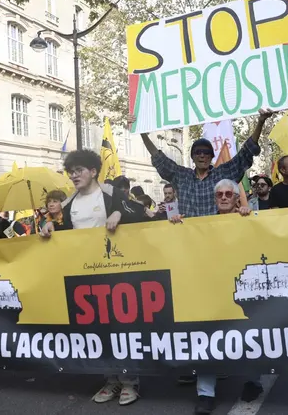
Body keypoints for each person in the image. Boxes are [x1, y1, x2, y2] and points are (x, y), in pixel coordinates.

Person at [40, 149, 144, 405]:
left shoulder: (111, 193)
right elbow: (62, 231)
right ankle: (111, 380)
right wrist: (50, 226)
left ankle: (130, 381)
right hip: (84, 275)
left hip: (115, 272)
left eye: (79, 171)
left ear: (93, 171)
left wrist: (121, 214)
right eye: (71, 172)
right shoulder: (68, 203)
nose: (74, 176)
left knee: (120, 327)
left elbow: (141, 213)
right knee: (97, 330)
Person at [168, 179, 262, 414]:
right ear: (214, 198)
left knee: (253, 335)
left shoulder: (248, 219)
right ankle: (205, 393)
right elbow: (185, 244)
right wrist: (178, 225)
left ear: (236, 196)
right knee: (206, 338)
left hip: (242, 289)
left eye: (228, 193)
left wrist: (249, 216)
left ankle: (254, 382)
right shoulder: (202, 225)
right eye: (218, 194)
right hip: (210, 290)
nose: (223, 197)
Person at [140, 108, 274, 218]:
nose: (202, 155)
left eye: (206, 152)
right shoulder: (181, 176)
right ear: (192, 157)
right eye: (198, 152)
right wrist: (142, 133)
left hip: (218, 237)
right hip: (190, 238)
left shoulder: (223, 173)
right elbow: (159, 158)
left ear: (211, 156)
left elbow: (246, 152)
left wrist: (261, 122)